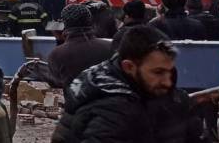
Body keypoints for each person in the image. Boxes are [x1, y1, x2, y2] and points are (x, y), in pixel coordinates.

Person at [52, 26, 206, 143]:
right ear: (129, 67)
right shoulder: (114, 111)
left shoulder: (161, 94)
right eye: (158, 72)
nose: (167, 81)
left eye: (169, 71)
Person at [47, 4, 113, 88]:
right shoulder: (109, 47)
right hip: (107, 98)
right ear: (90, 21)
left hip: (74, 100)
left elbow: (55, 85)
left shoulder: (56, 54)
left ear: (64, 24)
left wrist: (60, 39)